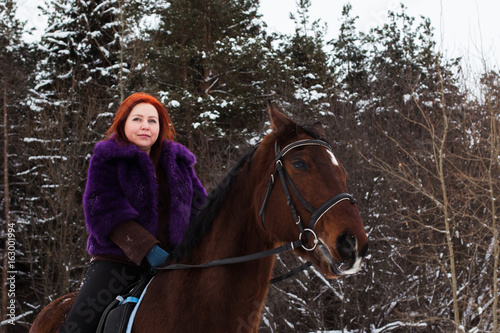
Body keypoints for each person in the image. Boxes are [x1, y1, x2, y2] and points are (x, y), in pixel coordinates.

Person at [59, 92, 207, 332]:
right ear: (123, 123)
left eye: (152, 120)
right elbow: (104, 211)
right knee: (79, 326)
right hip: (117, 262)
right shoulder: (107, 158)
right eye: (137, 119)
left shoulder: (178, 163)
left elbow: (203, 210)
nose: (145, 126)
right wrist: (148, 250)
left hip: (175, 263)